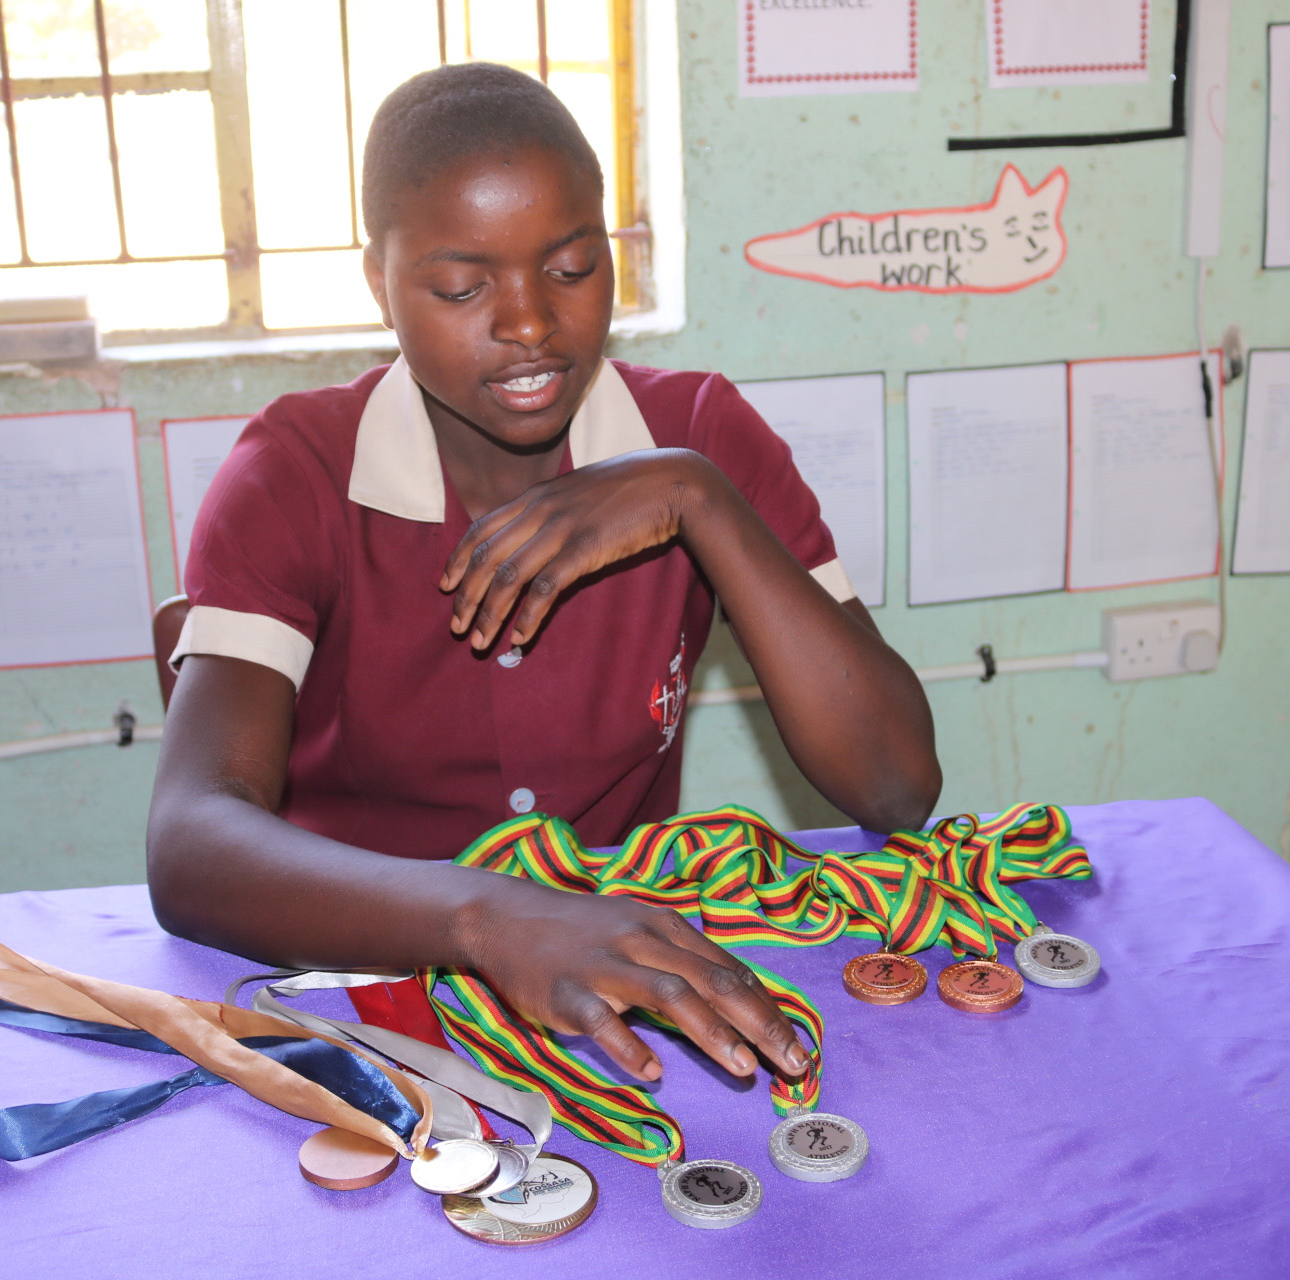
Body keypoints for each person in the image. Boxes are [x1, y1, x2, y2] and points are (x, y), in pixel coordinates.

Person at [147, 63, 941, 1089]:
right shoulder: (298, 472)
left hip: (613, 996)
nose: (527, 323)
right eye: (462, 287)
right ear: (377, 282)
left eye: (570, 268)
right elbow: (190, 843)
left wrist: (701, 503)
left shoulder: (695, 436)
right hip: (366, 996)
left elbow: (894, 783)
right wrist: (484, 914)